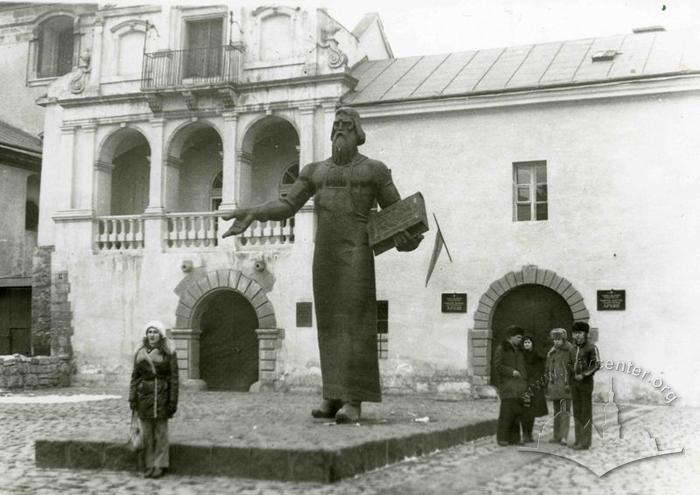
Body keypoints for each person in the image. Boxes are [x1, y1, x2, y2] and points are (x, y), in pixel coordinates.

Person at [222, 107, 423, 423]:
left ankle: (354, 400)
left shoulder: (375, 170)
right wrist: (253, 212)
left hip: (357, 249)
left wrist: (410, 238)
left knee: (355, 323)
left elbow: (397, 214)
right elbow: (288, 205)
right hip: (325, 252)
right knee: (329, 323)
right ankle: (332, 395)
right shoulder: (315, 171)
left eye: (347, 125)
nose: (340, 130)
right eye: (337, 125)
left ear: (358, 133)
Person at [129, 321, 179, 478]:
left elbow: (174, 379)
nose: (152, 335)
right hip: (144, 397)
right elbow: (134, 378)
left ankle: (160, 465)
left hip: (162, 396)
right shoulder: (140, 353)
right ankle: (149, 465)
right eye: (149, 332)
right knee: (147, 435)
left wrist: (172, 401)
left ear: (161, 335)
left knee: (161, 433)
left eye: (155, 332)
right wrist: (132, 398)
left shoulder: (168, 352)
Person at [493, 325, 528, 446]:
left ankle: (515, 439)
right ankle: (502, 438)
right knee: (506, 413)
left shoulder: (519, 350)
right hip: (507, 386)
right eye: (518, 337)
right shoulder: (501, 349)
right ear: (511, 337)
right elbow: (498, 366)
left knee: (517, 413)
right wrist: (511, 372)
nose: (520, 340)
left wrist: (524, 380)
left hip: (518, 387)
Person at [568, 321, 600, 450]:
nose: (577, 336)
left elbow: (597, 364)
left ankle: (585, 442)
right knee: (576, 412)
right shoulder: (572, 349)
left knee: (585, 412)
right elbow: (569, 363)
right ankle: (578, 439)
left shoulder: (591, 347)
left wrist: (584, 374)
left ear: (586, 334)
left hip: (586, 384)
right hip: (574, 384)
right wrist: (571, 374)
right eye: (575, 333)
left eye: (580, 333)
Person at [545, 328, 572, 445]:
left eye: (559, 339)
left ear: (563, 339)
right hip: (554, 386)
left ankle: (564, 437)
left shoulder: (570, 351)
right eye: (554, 340)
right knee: (556, 412)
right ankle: (556, 436)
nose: (556, 342)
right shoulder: (551, 353)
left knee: (565, 412)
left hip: (566, 386)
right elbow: (547, 368)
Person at [521, 334, 548, 443]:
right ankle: (525, 434)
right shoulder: (520, 355)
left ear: (532, 344)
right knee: (524, 411)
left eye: (529, 342)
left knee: (531, 411)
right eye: (525, 343)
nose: (527, 344)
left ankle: (529, 434)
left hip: (534, 386)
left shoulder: (538, 356)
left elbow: (541, 371)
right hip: (523, 385)